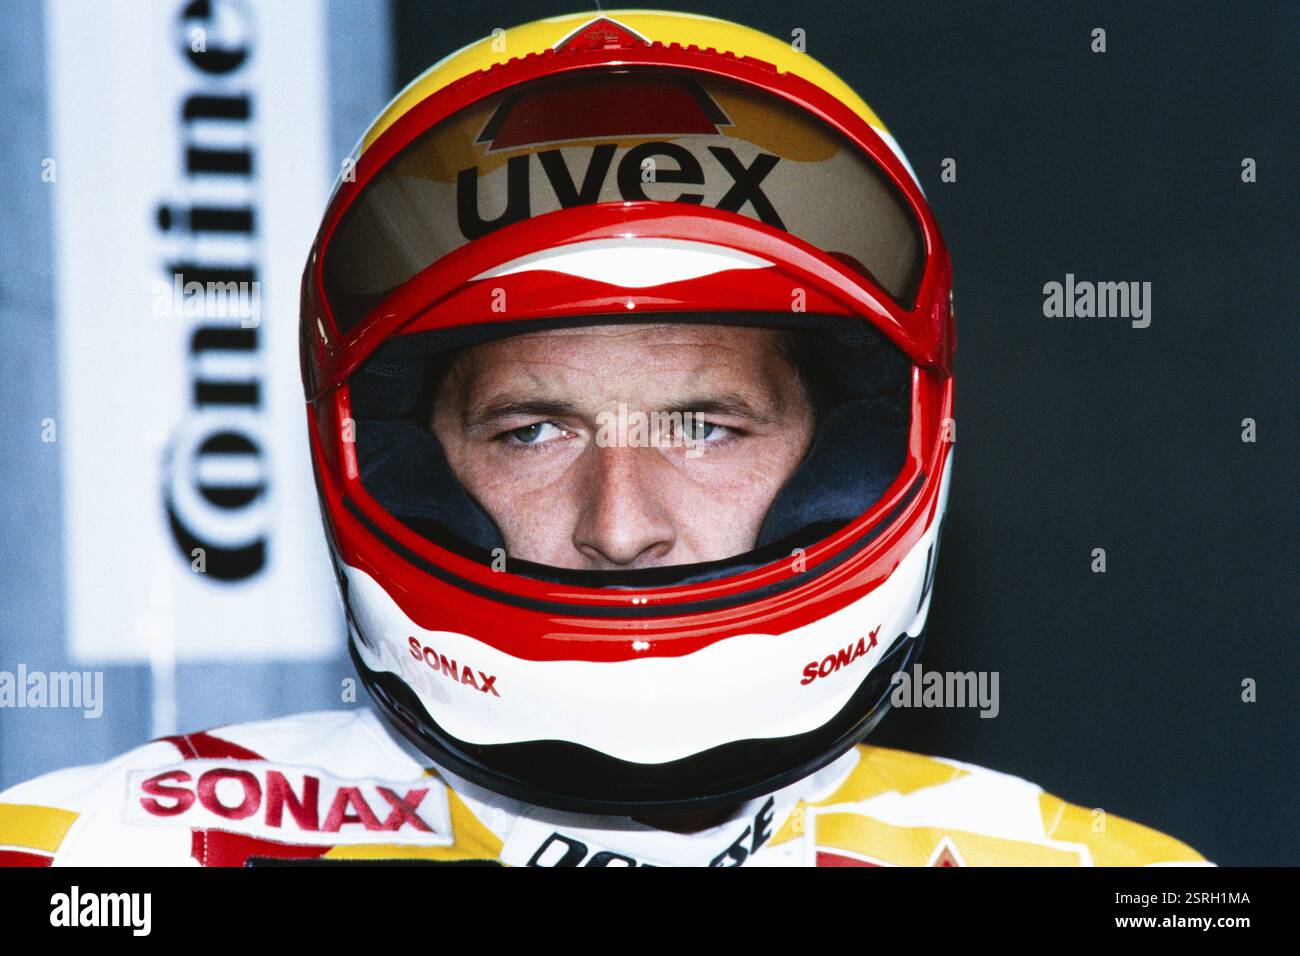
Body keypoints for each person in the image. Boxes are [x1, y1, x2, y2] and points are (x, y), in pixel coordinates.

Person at [0, 9, 1208, 866]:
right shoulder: (102, 856)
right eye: (531, 429)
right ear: (405, 463)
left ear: (852, 451)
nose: (620, 521)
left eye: (702, 422)